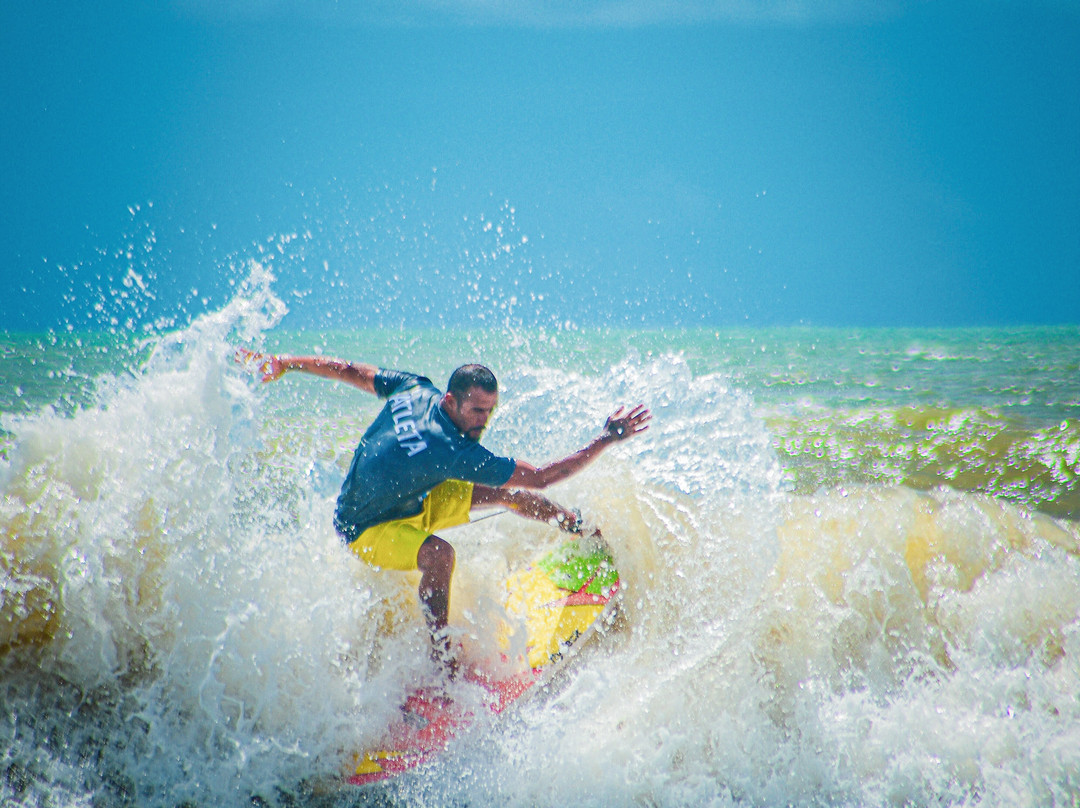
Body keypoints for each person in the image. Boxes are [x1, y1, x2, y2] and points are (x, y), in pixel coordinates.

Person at [237, 349, 650, 665]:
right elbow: (540, 475)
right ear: (451, 401)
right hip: (364, 526)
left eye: (489, 411)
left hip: (411, 497)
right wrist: (605, 440)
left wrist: (284, 362)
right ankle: (441, 660)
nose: (483, 422)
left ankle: (574, 525)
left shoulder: (416, 389)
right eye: (476, 411)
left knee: (506, 493)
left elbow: (349, 371)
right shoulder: (451, 450)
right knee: (440, 554)